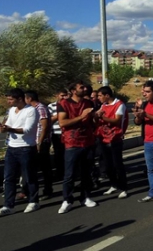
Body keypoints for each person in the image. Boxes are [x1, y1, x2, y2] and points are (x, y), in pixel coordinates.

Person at [0, 88, 40, 217]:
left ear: (19, 99)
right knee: (9, 178)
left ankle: (33, 201)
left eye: (10, 99)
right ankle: (8, 205)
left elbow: (27, 130)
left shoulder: (31, 111)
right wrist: (1, 128)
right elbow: (8, 125)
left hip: (26, 148)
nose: (8, 101)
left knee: (29, 176)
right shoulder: (12, 110)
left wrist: (10, 129)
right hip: (12, 148)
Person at [57, 82, 98, 214]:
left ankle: (85, 197)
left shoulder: (88, 103)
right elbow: (62, 122)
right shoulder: (64, 104)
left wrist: (96, 117)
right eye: (82, 88)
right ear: (73, 91)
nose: (85, 89)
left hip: (88, 141)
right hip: (72, 142)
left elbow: (93, 122)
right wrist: (81, 116)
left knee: (86, 172)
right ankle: (67, 200)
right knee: (69, 174)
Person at [95, 86, 129, 199]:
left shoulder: (119, 105)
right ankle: (113, 184)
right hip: (103, 137)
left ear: (107, 95)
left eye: (100, 95)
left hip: (115, 138)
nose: (98, 98)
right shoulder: (103, 105)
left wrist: (102, 117)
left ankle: (124, 187)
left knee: (117, 164)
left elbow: (116, 120)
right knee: (107, 164)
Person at [24, 90, 53, 200]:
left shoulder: (40, 108)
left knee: (45, 167)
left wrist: (39, 142)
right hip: (32, 142)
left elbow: (44, 126)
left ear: (29, 99)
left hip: (41, 142)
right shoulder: (30, 109)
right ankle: (28, 191)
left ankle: (48, 190)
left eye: (25, 98)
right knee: (31, 168)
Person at [48, 88, 68, 180]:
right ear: (57, 96)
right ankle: (60, 173)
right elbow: (49, 121)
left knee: (68, 154)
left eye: (65, 95)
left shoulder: (69, 105)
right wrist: (59, 115)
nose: (64, 97)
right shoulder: (51, 106)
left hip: (67, 133)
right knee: (58, 154)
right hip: (56, 133)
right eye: (62, 95)